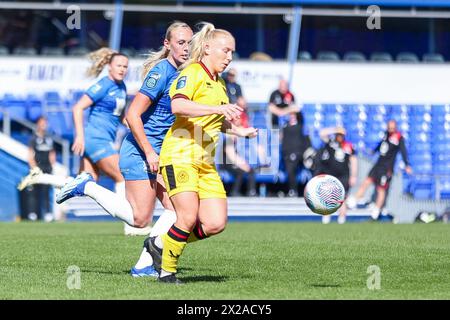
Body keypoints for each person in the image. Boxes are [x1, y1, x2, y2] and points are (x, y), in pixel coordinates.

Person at [56, 22, 194, 276]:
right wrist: (150, 152)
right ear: (167, 44)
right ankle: (86, 186)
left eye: (189, 43)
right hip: (141, 151)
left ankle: (144, 264)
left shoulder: (182, 74)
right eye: (181, 42)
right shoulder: (161, 72)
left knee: (177, 211)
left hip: (160, 152)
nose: (186, 48)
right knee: (141, 219)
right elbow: (133, 114)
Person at [146, 22, 258, 284]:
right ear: (207, 48)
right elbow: (179, 105)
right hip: (180, 155)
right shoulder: (193, 72)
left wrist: (238, 131)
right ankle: (167, 273)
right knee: (186, 217)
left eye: (232, 52)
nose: (229, 57)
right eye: (225, 50)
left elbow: (214, 119)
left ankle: (162, 244)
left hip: (205, 162)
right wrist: (219, 110)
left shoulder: (219, 84)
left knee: (215, 223)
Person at [347, 120, 412, 220]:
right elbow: (380, 146)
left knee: (381, 189)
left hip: (387, 168)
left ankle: (376, 210)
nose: (390, 129)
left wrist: (407, 164)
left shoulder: (399, 138)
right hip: (378, 165)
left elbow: (403, 152)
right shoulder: (386, 135)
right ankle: (354, 200)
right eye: (389, 127)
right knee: (366, 182)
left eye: (392, 128)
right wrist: (373, 151)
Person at [314, 127, 358, 224]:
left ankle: (341, 218)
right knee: (328, 196)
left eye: (341, 135)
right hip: (331, 174)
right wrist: (335, 129)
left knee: (342, 197)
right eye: (338, 134)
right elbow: (322, 133)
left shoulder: (348, 146)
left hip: (344, 175)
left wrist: (354, 176)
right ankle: (326, 217)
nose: (339, 136)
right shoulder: (331, 143)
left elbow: (353, 161)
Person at [23, 116, 56, 221]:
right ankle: (33, 213)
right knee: (34, 191)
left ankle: (47, 213)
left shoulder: (49, 138)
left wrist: (53, 166)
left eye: (45, 123)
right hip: (37, 168)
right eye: (42, 123)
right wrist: (34, 168)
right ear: (38, 124)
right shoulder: (33, 138)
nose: (43, 125)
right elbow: (30, 155)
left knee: (46, 191)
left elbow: (52, 154)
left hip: (47, 168)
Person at [221, 117, 257, 197]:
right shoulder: (228, 139)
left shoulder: (234, 140)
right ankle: (234, 192)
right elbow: (231, 155)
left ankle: (251, 191)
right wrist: (242, 165)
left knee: (251, 170)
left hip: (232, 162)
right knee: (240, 172)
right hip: (226, 164)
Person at [281, 111, 312, 197]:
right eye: (290, 115)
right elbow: (284, 142)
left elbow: (306, 142)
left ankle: (297, 190)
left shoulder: (301, 127)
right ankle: (292, 190)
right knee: (290, 167)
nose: (291, 117)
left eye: (293, 115)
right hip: (287, 154)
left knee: (292, 166)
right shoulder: (285, 127)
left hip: (298, 154)